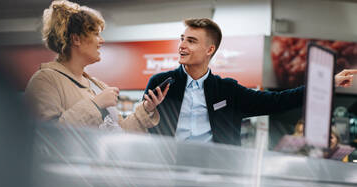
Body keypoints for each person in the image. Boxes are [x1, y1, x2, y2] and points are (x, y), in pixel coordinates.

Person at [145, 18, 355, 145]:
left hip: (216, 175)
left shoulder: (228, 91)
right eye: (182, 38)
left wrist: (327, 83)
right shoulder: (162, 82)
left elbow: (278, 100)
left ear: (210, 49)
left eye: (191, 41)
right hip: (167, 172)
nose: (182, 45)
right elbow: (142, 126)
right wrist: (146, 109)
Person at [25, 0, 168, 132]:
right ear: (76, 39)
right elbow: (48, 134)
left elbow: (120, 132)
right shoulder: (45, 81)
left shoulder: (98, 86)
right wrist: (95, 105)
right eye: (96, 34)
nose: (101, 41)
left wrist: (146, 109)